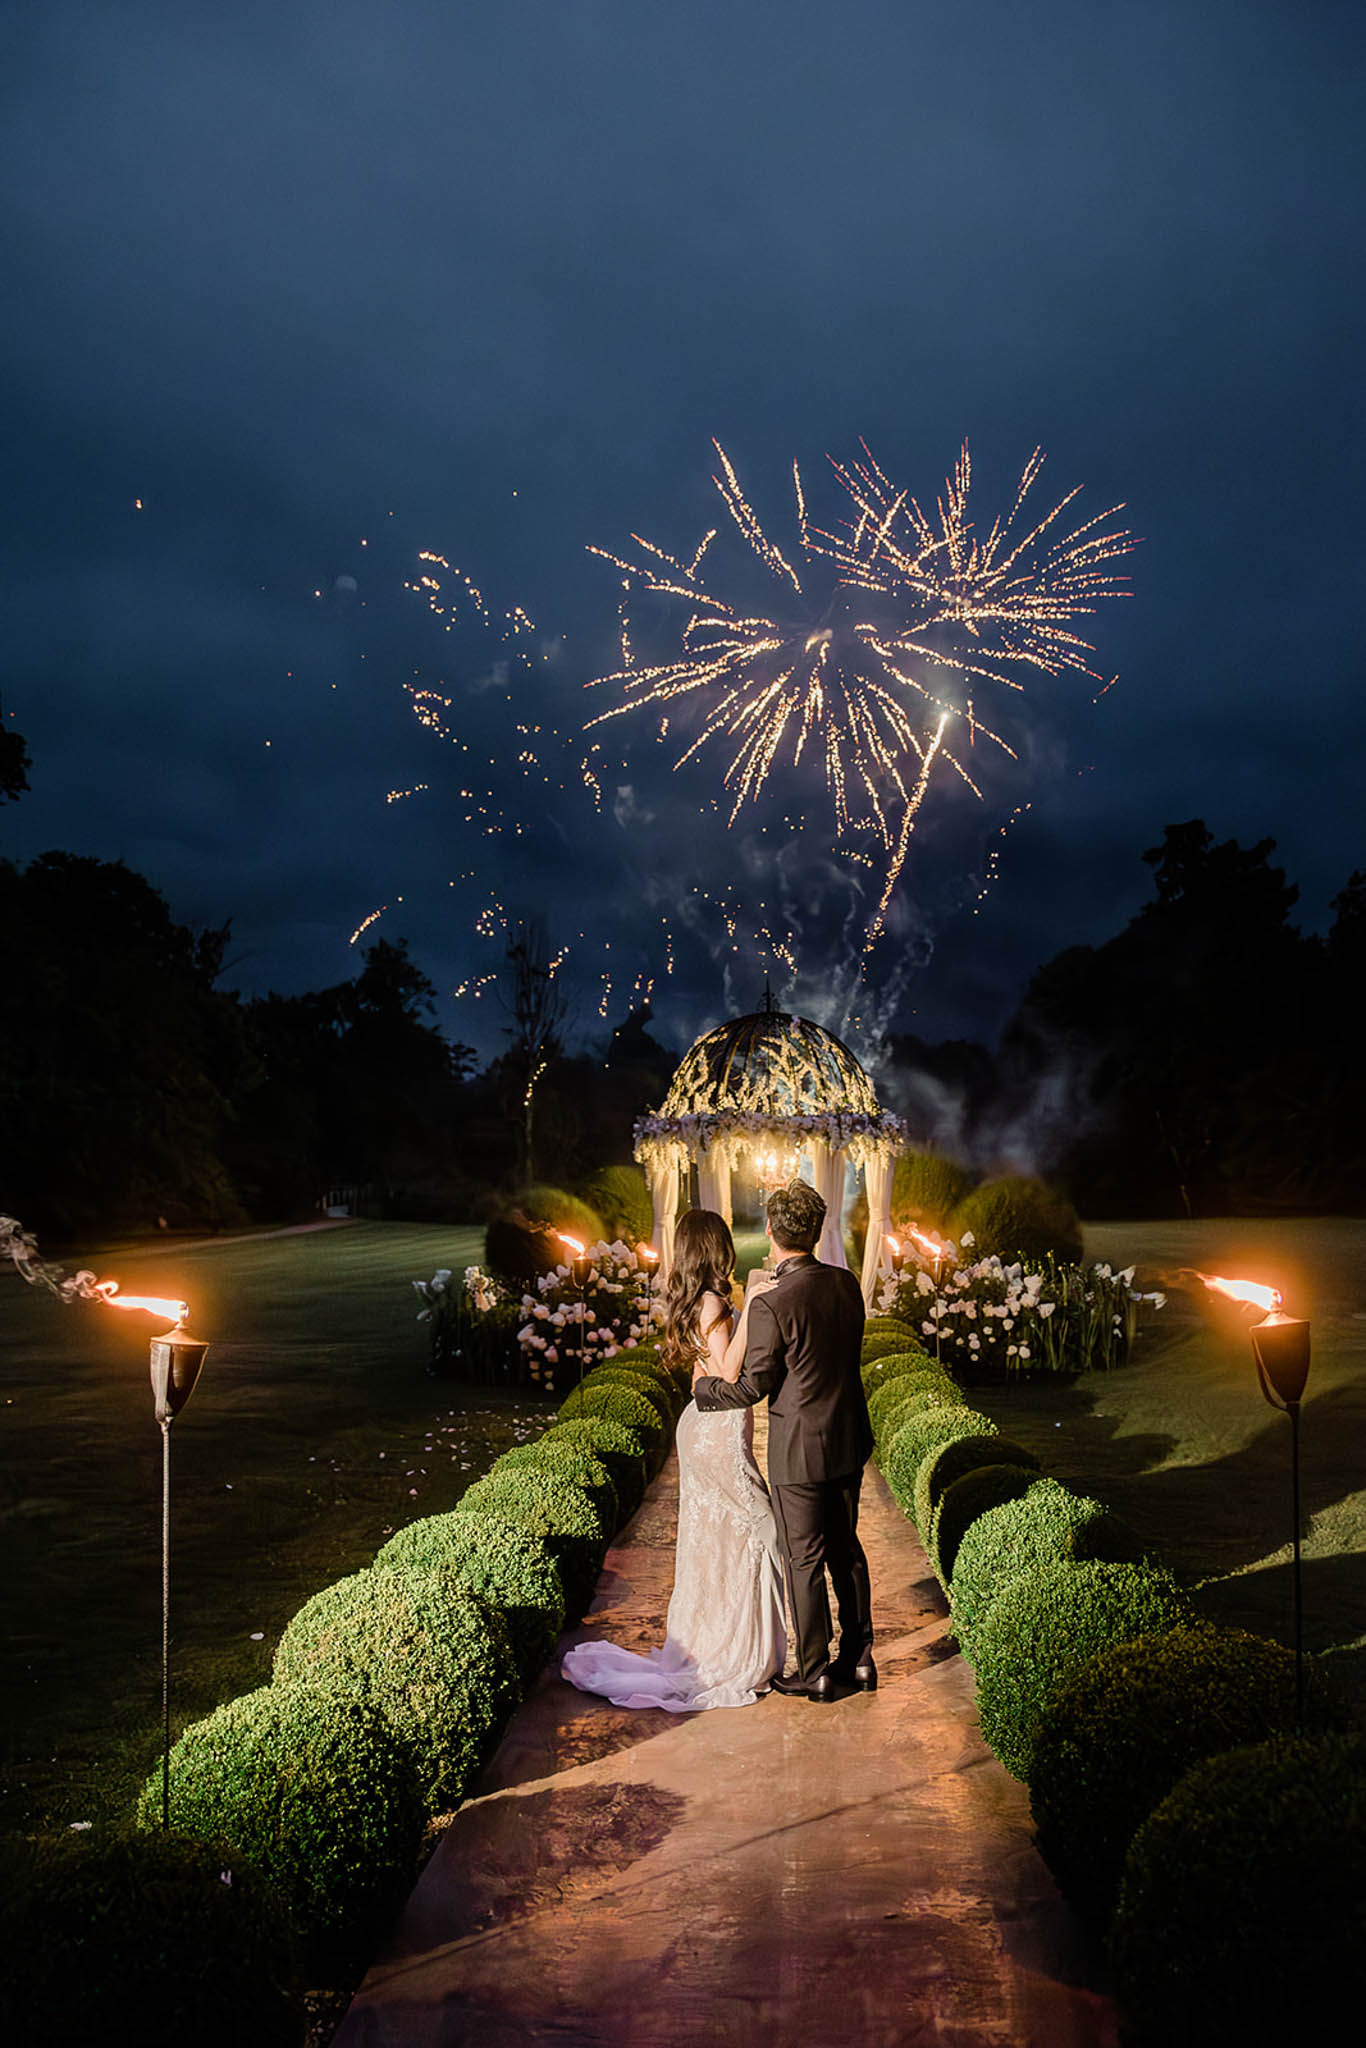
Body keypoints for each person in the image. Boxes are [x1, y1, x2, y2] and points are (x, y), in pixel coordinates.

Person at [560, 1208, 786, 1711]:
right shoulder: (711, 1304)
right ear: (714, 1250)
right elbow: (728, 1372)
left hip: (704, 1425)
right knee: (760, 1528)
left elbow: (703, 1375)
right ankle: (737, 1654)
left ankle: (723, 1642)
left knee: (721, 1539)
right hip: (717, 1432)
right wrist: (752, 1306)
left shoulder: (700, 1300)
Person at [693, 1179, 874, 1703]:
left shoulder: (773, 1302)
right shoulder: (846, 1283)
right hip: (849, 1436)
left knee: (804, 1558)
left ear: (771, 1230)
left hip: (799, 1449)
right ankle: (860, 1659)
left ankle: (815, 1669)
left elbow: (753, 1385)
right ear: (815, 1231)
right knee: (847, 1550)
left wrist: (704, 1389)